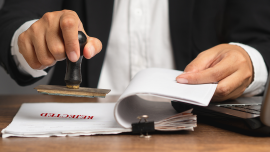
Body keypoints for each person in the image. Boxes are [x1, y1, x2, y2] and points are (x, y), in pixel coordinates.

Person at [0, 0, 269, 101]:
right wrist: (30, 40)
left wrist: (249, 60)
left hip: (203, 132)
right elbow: (14, 19)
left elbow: (261, 40)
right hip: (76, 131)